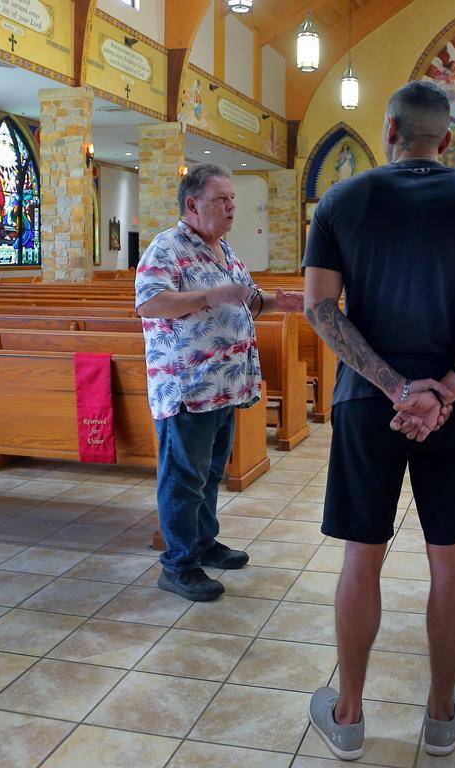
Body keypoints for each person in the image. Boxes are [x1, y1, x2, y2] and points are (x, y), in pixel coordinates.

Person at [302, 80, 455, 761]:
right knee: (448, 558)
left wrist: (397, 387)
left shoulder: (341, 200)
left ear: (389, 130)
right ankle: (438, 715)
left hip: (368, 405)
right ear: (448, 140)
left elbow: (320, 309)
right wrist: (446, 388)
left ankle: (347, 714)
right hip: (454, 411)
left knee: (361, 555)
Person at [134, 163, 303, 603]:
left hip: (225, 386)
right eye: (221, 199)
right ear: (192, 204)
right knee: (183, 479)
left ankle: (204, 543)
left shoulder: (224, 250)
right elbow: (150, 304)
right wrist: (210, 295)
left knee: (209, 474)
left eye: (232, 199)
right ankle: (179, 564)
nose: (231, 207)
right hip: (188, 387)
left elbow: (247, 300)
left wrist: (276, 301)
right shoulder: (166, 248)